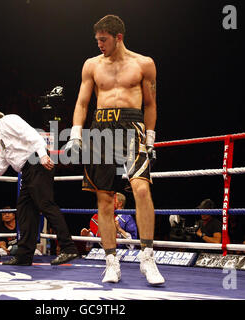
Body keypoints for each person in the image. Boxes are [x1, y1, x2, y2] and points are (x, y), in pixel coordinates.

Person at [65, 15, 164, 285]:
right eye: (97, 40)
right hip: (101, 128)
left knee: (142, 189)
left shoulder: (144, 64)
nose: (99, 44)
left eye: (103, 39)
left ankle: (147, 258)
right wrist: (76, 135)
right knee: (105, 198)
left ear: (118, 37)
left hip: (133, 128)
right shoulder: (91, 65)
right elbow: (82, 103)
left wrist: (151, 138)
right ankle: (111, 261)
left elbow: (151, 105)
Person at [0, 108, 78, 266]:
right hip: (28, 171)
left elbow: (33, 136)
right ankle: (24, 256)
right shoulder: (1, 140)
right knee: (25, 212)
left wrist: (42, 155)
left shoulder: (8, 120)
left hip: (37, 162)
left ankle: (68, 248)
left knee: (45, 204)